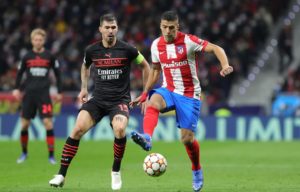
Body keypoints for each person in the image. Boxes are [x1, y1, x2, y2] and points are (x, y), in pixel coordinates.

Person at [130, 11, 233, 192]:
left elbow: (216, 48)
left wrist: (224, 65)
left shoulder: (188, 41)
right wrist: (145, 92)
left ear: (177, 27)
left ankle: (196, 169)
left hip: (189, 94)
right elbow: (155, 71)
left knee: (186, 139)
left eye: (172, 27)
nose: (168, 31)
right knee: (153, 102)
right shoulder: (156, 45)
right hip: (168, 89)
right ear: (160, 26)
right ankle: (147, 138)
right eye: (164, 27)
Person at [49, 13, 150, 190]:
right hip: (98, 100)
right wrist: (83, 88)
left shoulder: (128, 49)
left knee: (119, 129)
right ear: (100, 29)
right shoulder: (92, 50)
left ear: (117, 29)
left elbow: (145, 66)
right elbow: (85, 66)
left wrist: (145, 93)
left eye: (113, 27)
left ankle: (116, 171)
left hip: (119, 100)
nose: (111, 31)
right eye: (107, 27)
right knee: (77, 128)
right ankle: (61, 175)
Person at [12, 28, 62, 165]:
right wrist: (16, 89)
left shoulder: (50, 56)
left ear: (44, 41)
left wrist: (59, 91)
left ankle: (51, 156)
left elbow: (58, 74)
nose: (38, 41)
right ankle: (24, 153)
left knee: (48, 123)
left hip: (44, 94)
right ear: (32, 40)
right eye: (35, 39)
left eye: (40, 39)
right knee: (24, 124)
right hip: (29, 94)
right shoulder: (27, 56)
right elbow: (20, 73)